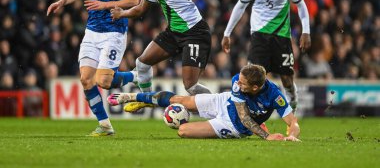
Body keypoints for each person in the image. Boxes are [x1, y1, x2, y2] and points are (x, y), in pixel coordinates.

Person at [110, 0, 246, 111]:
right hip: (174, 32)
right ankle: (147, 99)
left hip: (195, 33)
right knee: (142, 63)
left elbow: (140, 10)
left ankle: (223, 109)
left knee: (191, 86)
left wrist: (121, 13)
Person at [47, 0, 139, 136]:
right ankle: (105, 125)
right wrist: (61, 2)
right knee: (86, 79)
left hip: (114, 31)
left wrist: (107, 4)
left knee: (104, 81)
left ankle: (135, 76)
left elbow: (134, 0)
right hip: (92, 32)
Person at [108, 63, 300, 141]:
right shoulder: (237, 81)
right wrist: (265, 136)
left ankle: (156, 104)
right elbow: (243, 113)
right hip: (224, 102)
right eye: (238, 80)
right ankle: (135, 97)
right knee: (179, 99)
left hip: (232, 126)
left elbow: (293, 122)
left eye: (243, 84)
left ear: (256, 87)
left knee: (183, 131)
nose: (237, 84)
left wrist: (291, 135)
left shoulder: (275, 96)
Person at [221, 0, 311, 111]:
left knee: (286, 78)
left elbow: (301, 5)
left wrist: (306, 31)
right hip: (259, 38)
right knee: (252, 78)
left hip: (281, 37)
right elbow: (239, 8)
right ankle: (252, 112)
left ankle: (292, 97)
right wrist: (227, 33)